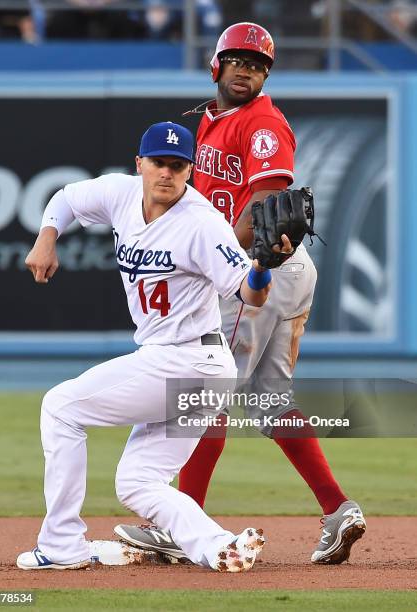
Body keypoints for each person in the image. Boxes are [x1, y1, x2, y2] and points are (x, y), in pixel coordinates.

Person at [114, 23, 366, 565]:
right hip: (275, 273)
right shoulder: (208, 122)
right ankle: (338, 508)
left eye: (257, 64)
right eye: (238, 60)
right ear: (217, 65)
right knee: (269, 398)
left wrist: (218, 260)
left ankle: (181, 523)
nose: (247, 69)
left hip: (257, 268)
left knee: (204, 393)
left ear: (266, 74)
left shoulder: (264, 124)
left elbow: (268, 206)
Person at [16, 120, 287, 573]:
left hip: (186, 359)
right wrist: (47, 237)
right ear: (139, 164)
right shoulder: (120, 194)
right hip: (195, 367)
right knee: (138, 482)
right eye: (159, 162)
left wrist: (261, 270)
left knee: (60, 407)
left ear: (190, 171)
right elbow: (65, 198)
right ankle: (220, 545)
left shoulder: (203, 224)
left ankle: (61, 545)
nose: (167, 173)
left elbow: (248, 294)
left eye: (178, 166)